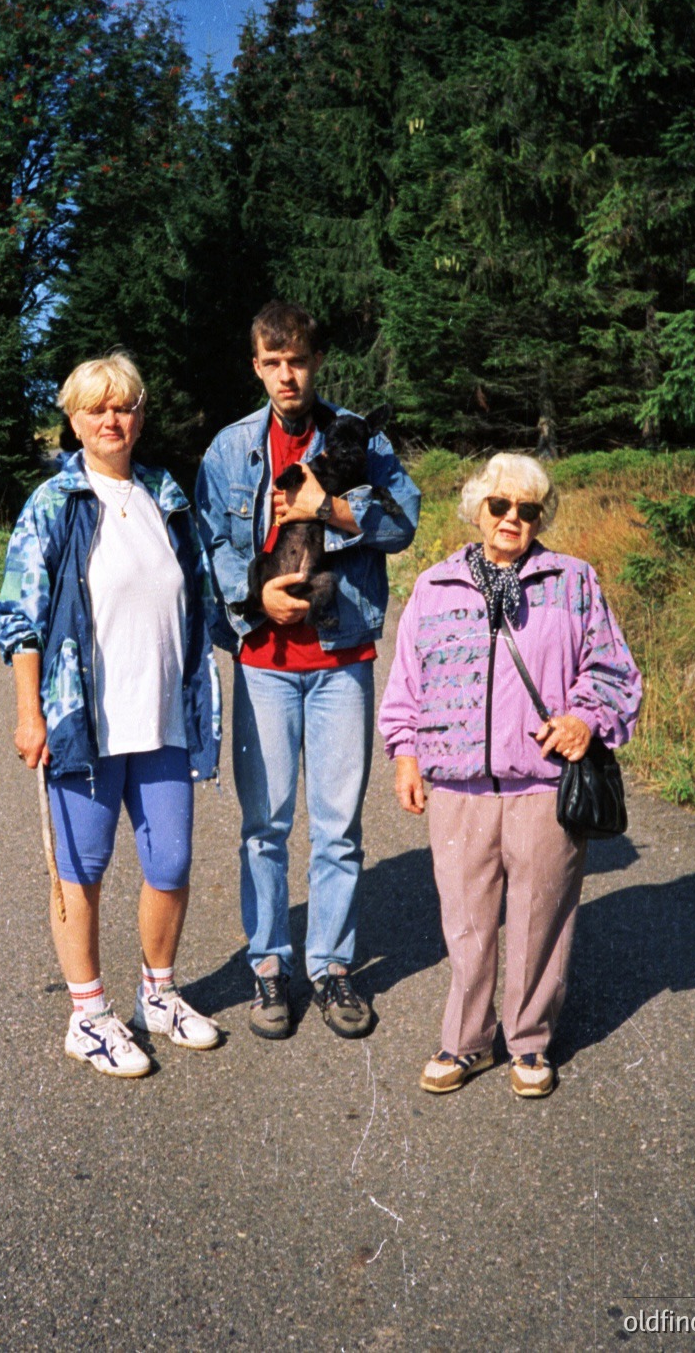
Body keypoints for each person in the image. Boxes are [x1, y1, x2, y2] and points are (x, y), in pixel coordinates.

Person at [378, 452, 641, 1098]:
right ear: (477, 509)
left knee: (539, 923)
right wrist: (406, 754)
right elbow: (406, 683)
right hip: (459, 789)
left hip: (544, 786)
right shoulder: (435, 586)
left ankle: (528, 1043)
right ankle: (466, 1043)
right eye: (501, 506)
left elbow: (613, 672)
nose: (513, 519)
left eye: (528, 510)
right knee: (465, 926)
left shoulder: (574, 581)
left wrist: (585, 718)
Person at [196, 300, 420, 1040]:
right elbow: (210, 553)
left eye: (297, 361)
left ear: (315, 362)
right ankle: (270, 967)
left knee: (338, 827)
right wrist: (253, 596)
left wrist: (334, 509)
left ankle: (331, 967)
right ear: (256, 365)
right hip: (263, 663)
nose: (286, 375)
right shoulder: (230, 451)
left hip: (340, 658)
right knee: (265, 825)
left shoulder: (358, 436)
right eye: (272, 362)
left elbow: (404, 521)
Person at [0, 353, 221, 1077]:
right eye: (96, 409)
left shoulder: (165, 494)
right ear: (74, 420)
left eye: (123, 407)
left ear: (141, 415)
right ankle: (88, 1016)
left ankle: (158, 995)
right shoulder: (54, 504)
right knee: (80, 870)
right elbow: (20, 618)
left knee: (172, 863)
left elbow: (201, 592)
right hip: (83, 725)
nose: (111, 420)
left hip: (164, 719)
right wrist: (29, 712)